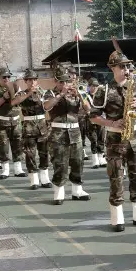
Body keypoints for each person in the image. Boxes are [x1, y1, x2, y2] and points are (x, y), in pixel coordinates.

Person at [90, 50, 136, 232]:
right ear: (112, 68)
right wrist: (111, 122)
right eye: (122, 66)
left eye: (127, 66)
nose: (126, 70)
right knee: (116, 177)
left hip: (135, 138)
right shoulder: (104, 90)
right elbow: (93, 117)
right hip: (115, 139)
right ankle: (117, 218)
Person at [43, 67, 91, 204]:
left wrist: (80, 95)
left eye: (66, 81)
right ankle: (59, 192)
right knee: (60, 163)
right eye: (61, 82)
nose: (64, 84)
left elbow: (88, 109)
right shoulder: (50, 93)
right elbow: (46, 106)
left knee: (78, 161)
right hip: (58, 133)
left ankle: (77, 191)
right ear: (55, 81)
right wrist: (60, 95)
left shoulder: (75, 93)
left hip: (75, 132)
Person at [11, 70, 53, 190]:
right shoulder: (22, 93)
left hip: (42, 126)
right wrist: (29, 93)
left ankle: (45, 178)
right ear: (25, 81)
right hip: (29, 126)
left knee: (44, 153)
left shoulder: (43, 93)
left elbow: (48, 105)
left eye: (34, 79)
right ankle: (34, 180)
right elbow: (14, 102)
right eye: (30, 80)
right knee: (30, 154)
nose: (33, 82)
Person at [0, 67, 26, 180]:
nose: (7, 79)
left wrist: (16, 93)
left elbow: (20, 100)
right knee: (2, 146)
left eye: (9, 76)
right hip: (1, 122)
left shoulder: (15, 87)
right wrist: (4, 98)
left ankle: (18, 169)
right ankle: (5, 170)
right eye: (4, 77)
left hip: (15, 120)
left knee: (18, 144)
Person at [84, 78, 107, 169]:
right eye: (93, 86)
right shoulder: (86, 96)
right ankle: (95, 159)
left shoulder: (101, 96)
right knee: (93, 139)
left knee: (101, 138)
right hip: (90, 120)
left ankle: (101, 157)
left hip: (101, 119)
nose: (95, 88)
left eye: (96, 86)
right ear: (89, 87)